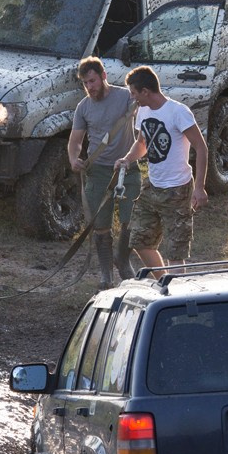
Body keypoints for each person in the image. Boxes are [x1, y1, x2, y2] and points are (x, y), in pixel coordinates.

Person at [114, 66, 208, 277]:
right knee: (139, 240)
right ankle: (165, 284)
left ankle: (177, 297)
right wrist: (127, 159)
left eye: (134, 93)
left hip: (178, 189)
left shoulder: (178, 112)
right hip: (153, 186)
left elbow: (201, 148)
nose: (132, 97)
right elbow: (142, 143)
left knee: (175, 250)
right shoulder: (143, 111)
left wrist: (199, 187)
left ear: (146, 91)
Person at [68, 57, 141, 288]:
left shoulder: (126, 96)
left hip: (127, 167)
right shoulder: (83, 107)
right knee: (101, 225)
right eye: (85, 83)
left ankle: (123, 259)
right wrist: (73, 159)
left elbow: (151, 104)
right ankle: (106, 274)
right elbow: (75, 141)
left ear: (104, 76)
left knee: (132, 219)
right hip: (98, 171)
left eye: (92, 81)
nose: (89, 87)